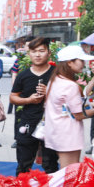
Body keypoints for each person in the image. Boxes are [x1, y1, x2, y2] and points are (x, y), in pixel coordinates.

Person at [44, 46, 94, 169]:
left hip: (55, 132)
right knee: (70, 174)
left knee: (64, 174)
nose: (84, 64)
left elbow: (75, 102)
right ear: (70, 62)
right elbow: (78, 114)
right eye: (81, 60)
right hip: (68, 136)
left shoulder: (55, 80)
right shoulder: (70, 85)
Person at [9, 37, 59, 174]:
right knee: (23, 166)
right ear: (29, 54)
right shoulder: (23, 75)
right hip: (28, 123)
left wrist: (48, 93)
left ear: (49, 53)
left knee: (51, 166)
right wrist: (29, 100)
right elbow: (13, 97)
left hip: (52, 123)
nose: (37, 54)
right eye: (34, 51)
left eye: (41, 51)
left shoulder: (57, 73)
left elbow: (71, 96)